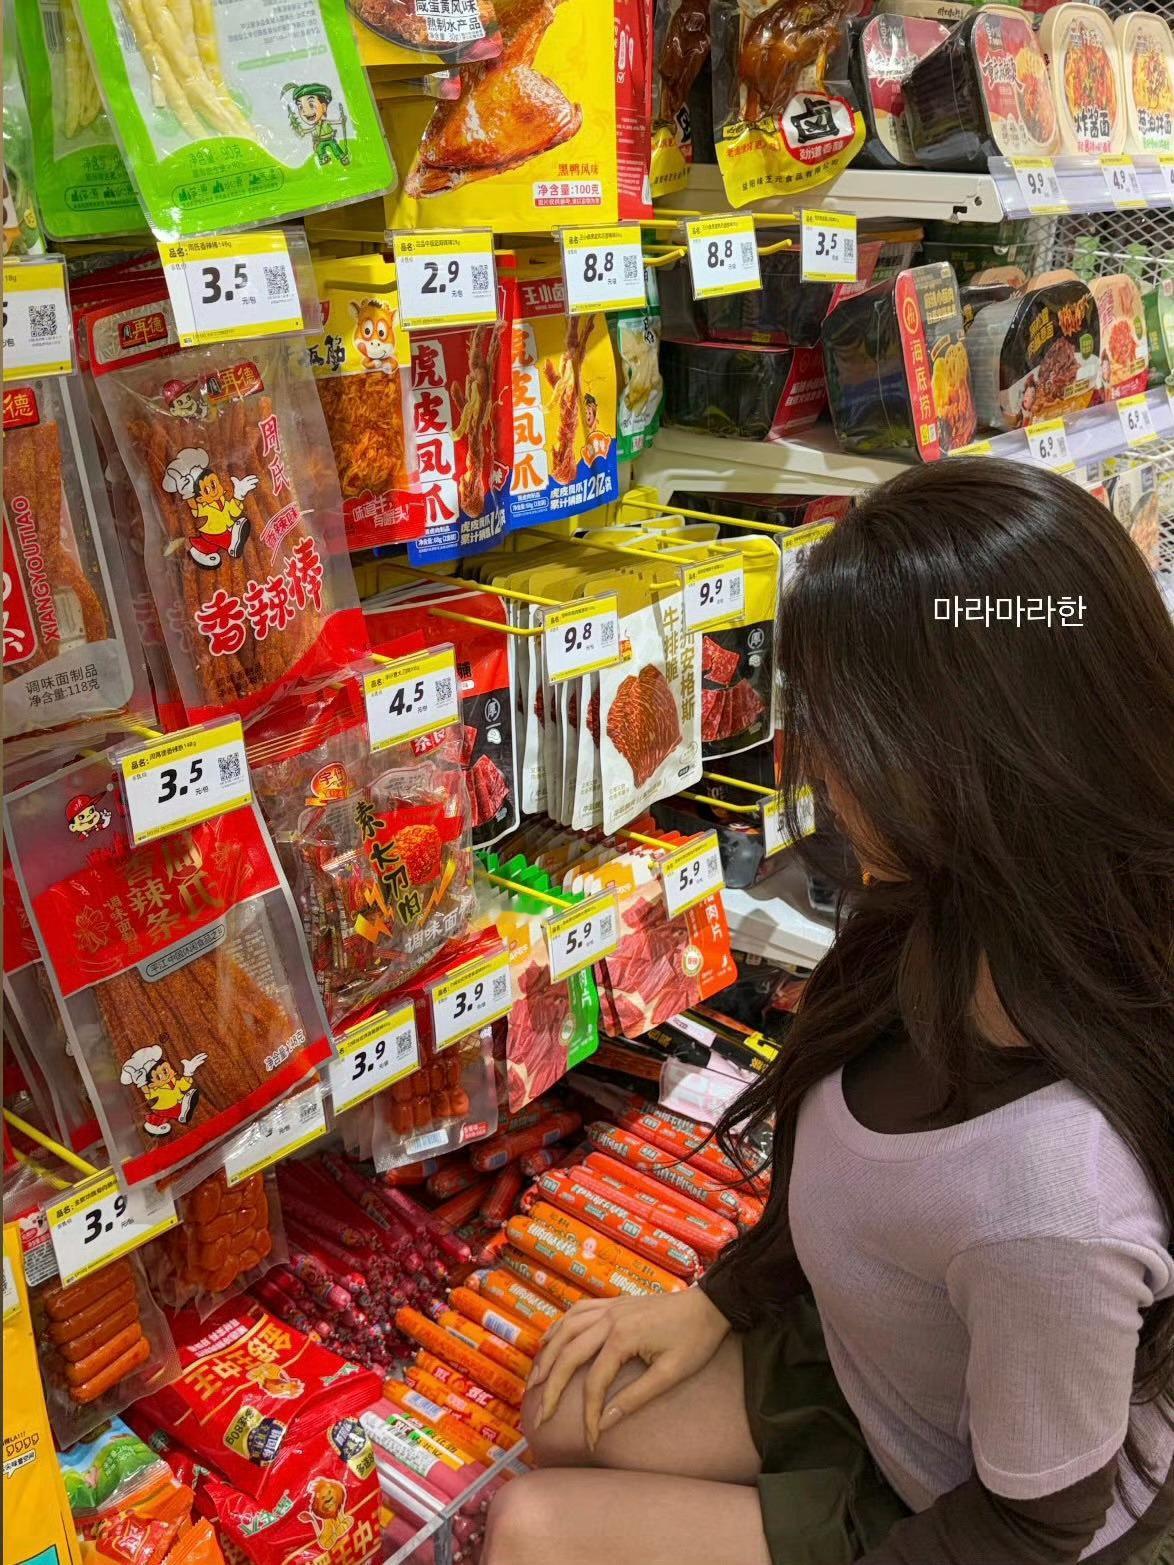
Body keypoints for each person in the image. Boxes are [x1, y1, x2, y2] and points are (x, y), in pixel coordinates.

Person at [484, 459, 1174, 1565]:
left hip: (959, 1504)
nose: (813, 764)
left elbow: (1032, 1530)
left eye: (838, 726)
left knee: (530, 1531)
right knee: (561, 1409)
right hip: (879, 1367)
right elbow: (848, 1167)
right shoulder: (935, 907)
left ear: (966, 760)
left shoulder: (1055, 1196)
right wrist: (721, 1298)